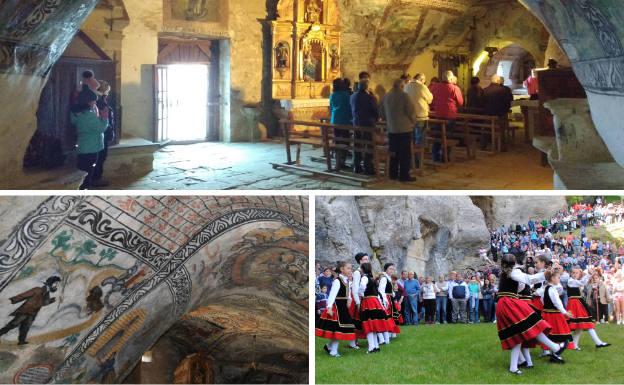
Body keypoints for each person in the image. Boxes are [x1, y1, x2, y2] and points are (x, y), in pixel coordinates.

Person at [496, 254, 565, 375]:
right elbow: (529, 280)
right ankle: (555, 347)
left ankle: (514, 366)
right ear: (514, 263)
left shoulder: (504, 274)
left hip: (502, 304)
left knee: (517, 334)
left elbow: (522, 284)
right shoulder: (513, 272)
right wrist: (545, 273)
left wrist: (545, 273)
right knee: (533, 324)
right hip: (510, 303)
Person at [0, 276, 61, 345]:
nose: (56, 285)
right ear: (51, 282)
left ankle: (21, 341)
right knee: (13, 324)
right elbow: (24, 295)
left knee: (25, 327)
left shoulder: (47, 293)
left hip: (32, 313)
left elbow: (44, 303)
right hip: (25, 311)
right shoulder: (37, 289)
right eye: (56, 283)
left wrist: (54, 299)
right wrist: (12, 300)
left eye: (57, 284)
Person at [71, 86, 110, 190]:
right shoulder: (88, 115)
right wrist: (105, 118)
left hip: (83, 145)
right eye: (93, 101)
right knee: (88, 172)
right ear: (88, 102)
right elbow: (101, 128)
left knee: (83, 171)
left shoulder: (76, 112)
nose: (94, 103)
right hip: (91, 147)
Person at [315, 261, 356, 357]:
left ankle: (329, 346)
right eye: (348, 268)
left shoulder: (347, 281)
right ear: (342, 269)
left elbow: (348, 291)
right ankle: (333, 351)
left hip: (343, 307)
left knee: (341, 328)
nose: (350, 270)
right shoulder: (337, 281)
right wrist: (329, 307)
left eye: (351, 268)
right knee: (337, 329)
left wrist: (349, 299)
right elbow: (332, 295)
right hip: (337, 307)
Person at [380, 78, 417, 182]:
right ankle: (404, 175)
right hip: (404, 129)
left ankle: (393, 174)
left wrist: (387, 120)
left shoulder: (386, 96)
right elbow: (411, 111)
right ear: (402, 86)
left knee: (393, 152)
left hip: (392, 129)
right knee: (405, 153)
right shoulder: (404, 96)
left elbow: (381, 111)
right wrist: (413, 122)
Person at [429, 70, 463, 162]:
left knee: (437, 136)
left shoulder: (435, 87)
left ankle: (435, 157)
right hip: (450, 115)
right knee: (447, 137)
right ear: (451, 78)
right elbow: (460, 102)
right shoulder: (455, 88)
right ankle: (445, 157)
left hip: (438, 114)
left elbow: (431, 99)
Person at [358, 262, 393, 353]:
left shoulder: (365, 278)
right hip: (375, 302)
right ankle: (375, 346)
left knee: (368, 324)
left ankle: (371, 347)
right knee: (373, 324)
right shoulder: (372, 278)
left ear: (363, 269)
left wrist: (360, 294)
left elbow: (362, 287)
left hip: (368, 302)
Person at [537, 270, 573, 353]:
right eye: (558, 278)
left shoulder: (545, 288)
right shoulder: (552, 289)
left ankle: (547, 351)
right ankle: (557, 350)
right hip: (554, 314)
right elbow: (557, 303)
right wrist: (565, 312)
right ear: (552, 278)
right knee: (558, 332)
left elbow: (542, 299)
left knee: (548, 333)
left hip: (546, 313)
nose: (559, 280)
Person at [573, 270, 611, 348]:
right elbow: (582, 283)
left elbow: (582, 283)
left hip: (578, 304)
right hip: (575, 305)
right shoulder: (572, 281)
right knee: (584, 324)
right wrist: (590, 275)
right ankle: (598, 342)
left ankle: (574, 344)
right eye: (573, 273)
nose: (575, 274)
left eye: (577, 273)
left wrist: (590, 275)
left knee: (582, 325)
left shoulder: (576, 281)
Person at [350, 80, 378, 175]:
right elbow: (375, 111)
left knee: (357, 145)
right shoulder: (370, 97)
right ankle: (368, 167)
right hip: (367, 124)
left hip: (356, 124)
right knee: (368, 145)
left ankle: (356, 166)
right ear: (367, 87)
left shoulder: (353, 96)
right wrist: (376, 119)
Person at [482, 74, 513, 151]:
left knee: (487, 129)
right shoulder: (504, 90)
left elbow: (481, 102)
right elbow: (508, 102)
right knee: (501, 130)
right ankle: (501, 146)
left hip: (488, 113)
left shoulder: (485, 90)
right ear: (497, 81)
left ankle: (484, 145)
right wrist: (505, 110)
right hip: (500, 114)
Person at [93, 80, 115, 187]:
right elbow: (103, 118)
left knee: (99, 156)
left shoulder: (96, 99)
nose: (108, 93)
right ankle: (96, 178)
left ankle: (95, 178)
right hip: (101, 133)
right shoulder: (99, 101)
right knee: (100, 156)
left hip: (100, 133)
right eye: (107, 90)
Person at [330, 78, 353, 170]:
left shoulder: (332, 95)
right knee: (345, 141)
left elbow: (331, 108)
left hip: (335, 120)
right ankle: (341, 162)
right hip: (344, 120)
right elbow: (349, 108)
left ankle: (338, 162)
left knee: (337, 141)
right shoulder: (346, 95)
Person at [404, 73, 433, 146]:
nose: (424, 82)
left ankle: (411, 155)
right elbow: (430, 99)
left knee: (411, 138)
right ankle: (419, 156)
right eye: (424, 81)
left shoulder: (406, 86)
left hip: (409, 116)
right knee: (420, 138)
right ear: (421, 79)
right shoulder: (422, 87)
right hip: (421, 116)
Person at [378, 263, 399, 343]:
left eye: (393, 269)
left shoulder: (388, 278)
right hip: (386, 298)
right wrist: (384, 300)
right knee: (388, 316)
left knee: (392, 315)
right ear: (386, 269)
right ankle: (387, 334)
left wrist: (393, 296)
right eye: (390, 269)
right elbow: (381, 290)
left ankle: (391, 333)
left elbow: (390, 290)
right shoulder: (384, 278)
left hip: (390, 298)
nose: (392, 270)